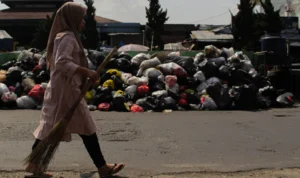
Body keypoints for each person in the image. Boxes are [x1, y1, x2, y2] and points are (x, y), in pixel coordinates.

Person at [25, 2, 125, 177]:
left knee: (52, 126)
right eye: (81, 19)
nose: (83, 22)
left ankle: (34, 164)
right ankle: (102, 167)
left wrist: (85, 76)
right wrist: (86, 71)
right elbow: (63, 62)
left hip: (64, 88)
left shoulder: (65, 36)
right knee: (82, 127)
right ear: (72, 19)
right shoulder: (67, 37)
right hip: (66, 90)